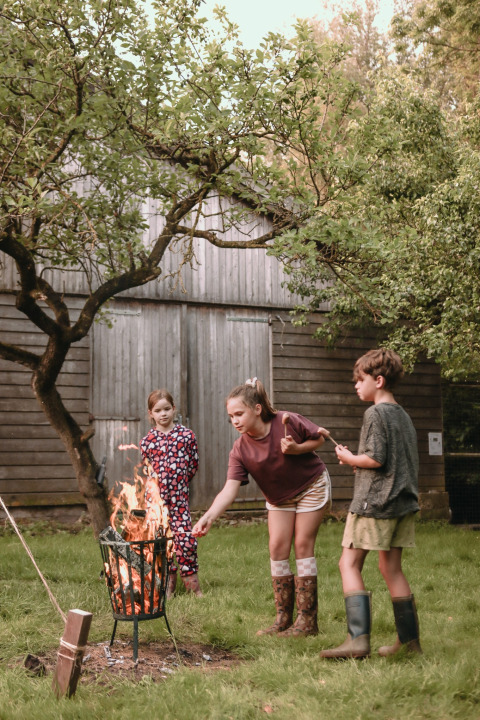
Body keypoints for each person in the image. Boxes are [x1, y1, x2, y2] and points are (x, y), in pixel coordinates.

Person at [192, 378, 331, 637]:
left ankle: (307, 622)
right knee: (277, 547)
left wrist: (297, 448)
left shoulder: (286, 420)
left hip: (311, 485)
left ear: (256, 409)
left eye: (239, 413)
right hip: (280, 498)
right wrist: (209, 516)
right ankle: (283, 618)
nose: (234, 420)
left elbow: (320, 438)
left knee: (302, 544)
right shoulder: (240, 449)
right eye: (230, 416)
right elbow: (230, 489)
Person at [320, 348, 422, 659]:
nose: (355, 385)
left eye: (359, 380)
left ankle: (357, 641)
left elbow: (376, 459)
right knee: (391, 568)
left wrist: (349, 458)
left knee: (347, 563)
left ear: (378, 380)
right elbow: (391, 461)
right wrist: (359, 462)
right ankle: (409, 643)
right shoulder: (403, 415)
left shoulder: (375, 413)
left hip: (374, 504)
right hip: (403, 505)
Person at [140, 389, 202, 597]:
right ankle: (168, 586)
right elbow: (145, 470)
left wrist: (178, 484)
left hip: (179, 501)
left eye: (167, 409)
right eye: (158, 410)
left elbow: (193, 465)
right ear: (151, 413)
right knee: (161, 543)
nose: (163, 414)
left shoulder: (186, 436)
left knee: (185, 541)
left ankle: (193, 585)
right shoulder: (147, 440)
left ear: (174, 409)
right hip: (156, 504)